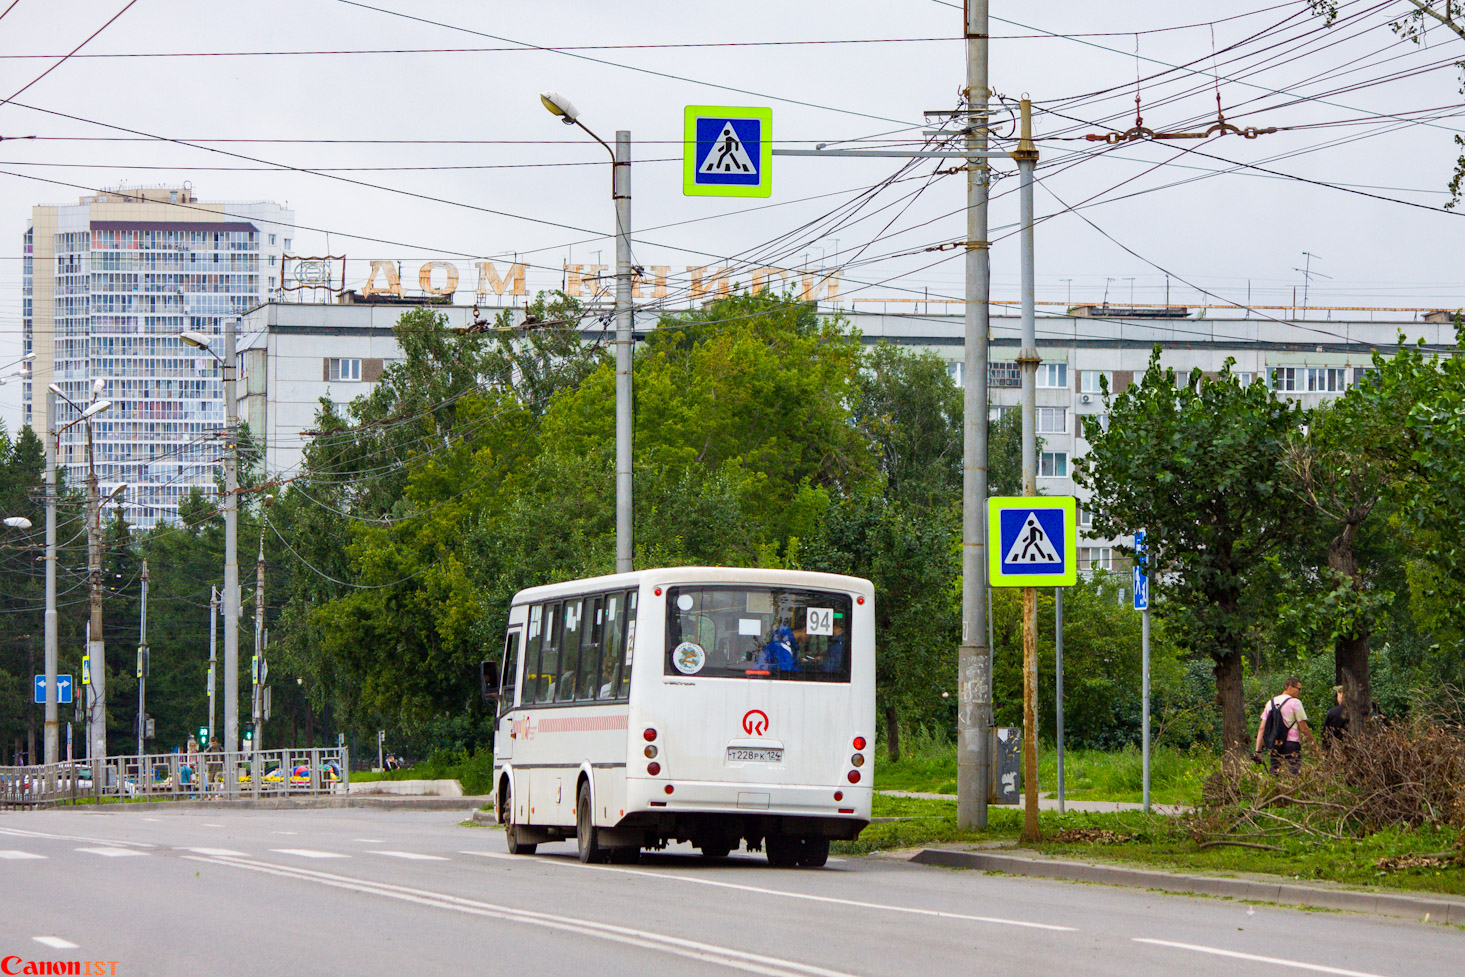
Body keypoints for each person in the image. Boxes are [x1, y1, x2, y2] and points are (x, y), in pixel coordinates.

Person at [1254, 676, 1314, 774]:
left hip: (1275, 745)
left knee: (1276, 775)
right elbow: (1304, 729)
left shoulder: (1270, 703)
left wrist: (1258, 751)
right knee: (1293, 775)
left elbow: (1261, 728)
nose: (1300, 692)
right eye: (1299, 689)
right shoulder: (1295, 703)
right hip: (1291, 744)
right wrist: (1314, 746)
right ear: (1290, 687)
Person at [1322, 685, 1348, 751]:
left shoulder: (1333, 712)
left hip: (1336, 749)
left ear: (1341, 694)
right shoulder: (1363, 710)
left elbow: (1326, 733)